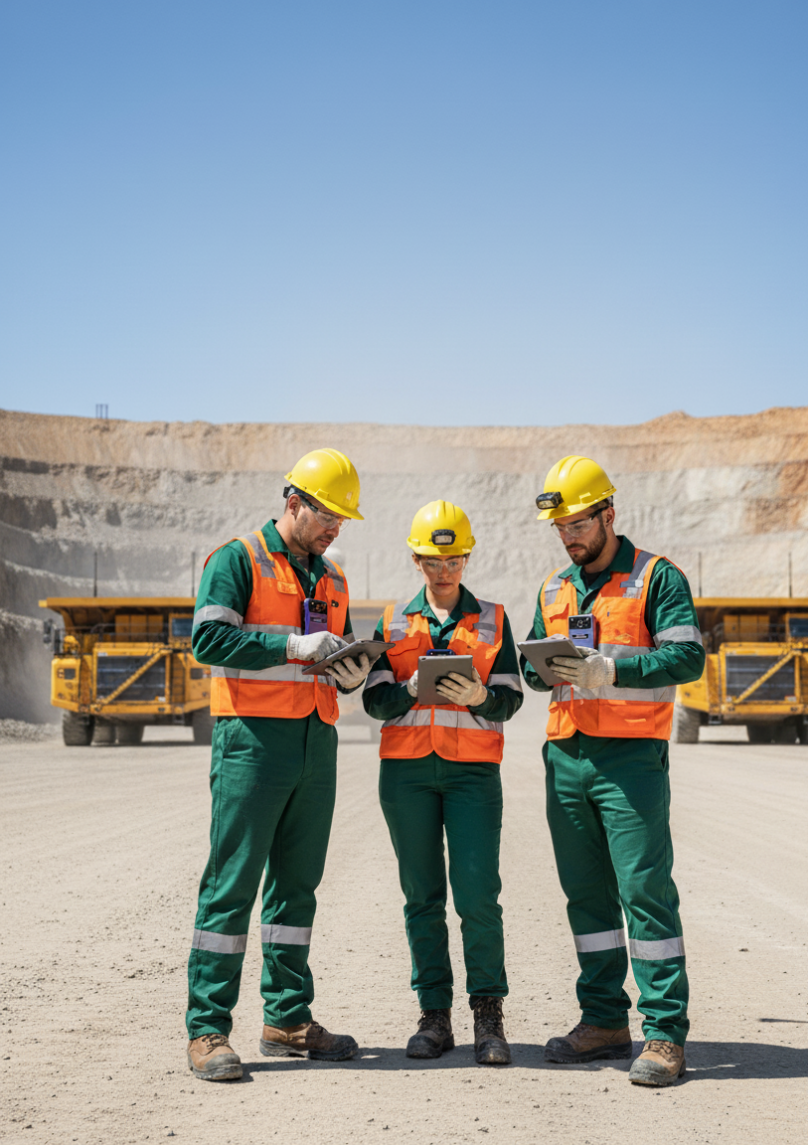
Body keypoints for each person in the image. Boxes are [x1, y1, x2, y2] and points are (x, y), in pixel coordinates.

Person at [185, 448, 377, 1081]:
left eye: (343, 521)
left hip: (315, 743)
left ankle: (288, 1018)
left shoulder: (335, 580)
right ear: (294, 502)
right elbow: (208, 640)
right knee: (232, 884)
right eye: (328, 516)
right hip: (252, 741)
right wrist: (292, 645)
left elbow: (332, 658)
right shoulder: (236, 559)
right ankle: (209, 1029)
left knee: (297, 888)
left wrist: (350, 671)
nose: (334, 529)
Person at [521, 455, 705, 1087]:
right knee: (588, 899)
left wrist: (614, 669)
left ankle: (664, 1034)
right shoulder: (552, 588)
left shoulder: (657, 578)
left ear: (608, 515)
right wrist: (541, 668)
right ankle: (603, 1019)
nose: (569, 535)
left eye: (578, 522)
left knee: (645, 894)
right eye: (560, 527)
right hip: (565, 756)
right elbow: (527, 666)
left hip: (630, 761)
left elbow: (686, 658)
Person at [363, 501, 523, 1065]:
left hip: (473, 774)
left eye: (454, 556)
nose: (444, 567)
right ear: (416, 559)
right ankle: (434, 1016)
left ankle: (488, 1015)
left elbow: (510, 700)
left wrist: (481, 696)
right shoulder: (392, 622)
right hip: (406, 773)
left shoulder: (494, 620)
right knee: (422, 898)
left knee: (479, 895)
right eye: (433, 558)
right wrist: (408, 690)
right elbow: (375, 700)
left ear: (467, 555)